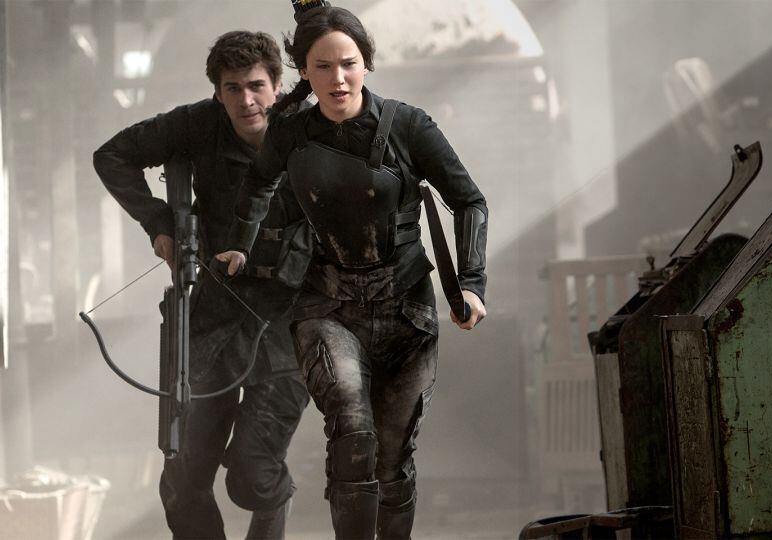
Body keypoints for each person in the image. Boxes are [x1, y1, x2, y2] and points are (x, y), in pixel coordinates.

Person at [216, 6, 489, 539]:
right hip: (327, 306)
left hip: (406, 310)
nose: (337, 79)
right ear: (304, 71)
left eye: (348, 64)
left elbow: (469, 201)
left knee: (393, 459)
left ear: (366, 63)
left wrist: (472, 284)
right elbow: (258, 185)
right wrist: (239, 246)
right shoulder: (290, 132)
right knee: (352, 438)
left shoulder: (409, 125)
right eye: (322, 67)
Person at [92, 30, 310, 540]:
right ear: (217, 92)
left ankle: (272, 517)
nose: (246, 100)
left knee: (254, 476)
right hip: (213, 316)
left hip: (289, 325)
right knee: (183, 479)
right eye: (232, 88)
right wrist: (159, 222)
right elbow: (113, 155)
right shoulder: (197, 124)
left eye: (256, 86)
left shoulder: (312, 131)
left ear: (278, 86)